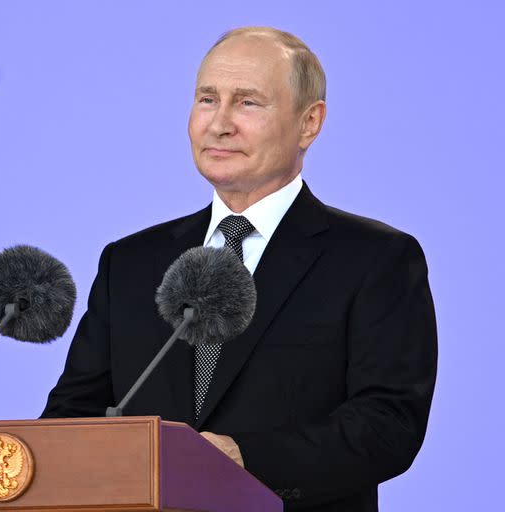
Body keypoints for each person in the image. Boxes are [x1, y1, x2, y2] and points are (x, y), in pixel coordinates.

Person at [41, 26, 437, 512]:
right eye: (207, 99)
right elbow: (71, 417)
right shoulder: (129, 262)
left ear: (309, 123)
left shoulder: (374, 259)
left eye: (248, 103)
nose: (220, 123)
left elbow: (387, 425)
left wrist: (244, 456)